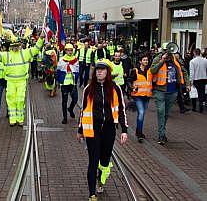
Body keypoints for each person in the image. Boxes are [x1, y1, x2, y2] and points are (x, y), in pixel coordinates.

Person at [77, 59, 128, 201]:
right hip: (92, 130)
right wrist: (80, 130)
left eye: (102, 69)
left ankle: (101, 179)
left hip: (109, 129)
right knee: (93, 160)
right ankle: (92, 194)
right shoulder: (89, 88)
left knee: (105, 160)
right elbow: (83, 110)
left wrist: (124, 130)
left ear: (108, 72)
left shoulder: (115, 88)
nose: (99, 71)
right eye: (97, 69)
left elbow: (121, 109)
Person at [0, 33, 45, 126]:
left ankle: (20, 119)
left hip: (21, 81)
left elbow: (36, 49)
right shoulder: (6, 55)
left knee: (20, 100)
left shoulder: (25, 53)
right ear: (11, 47)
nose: (16, 48)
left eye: (17, 46)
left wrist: (41, 39)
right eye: (14, 46)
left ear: (20, 46)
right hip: (10, 82)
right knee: (11, 100)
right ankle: (12, 120)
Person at [150, 43, 190, 145]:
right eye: (165, 51)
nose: (167, 54)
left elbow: (184, 71)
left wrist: (188, 84)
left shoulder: (175, 59)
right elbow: (152, 70)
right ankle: (161, 135)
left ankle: (162, 132)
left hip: (172, 92)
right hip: (160, 90)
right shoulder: (157, 59)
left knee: (166, 114)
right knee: (161, 112)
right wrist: (162, 60)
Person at [129, 54, 152, 142]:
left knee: (141, 114)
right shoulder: (135, 71)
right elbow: (129, 80)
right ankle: (139, 133)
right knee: (141, 113)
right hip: (137, 95)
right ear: (140, 61)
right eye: (144, 60)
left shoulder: (150, 71)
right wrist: (132, 87)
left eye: (147, 60)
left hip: (147, 96)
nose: (146, 61)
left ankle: (138, 131)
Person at [56, 43, 79, 124]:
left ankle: (71, 109)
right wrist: (58, 82)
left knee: (75, 99)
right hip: (64, 84)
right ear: (65, 51)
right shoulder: (62, 59)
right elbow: (58, 71)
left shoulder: (75, 59)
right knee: (64, 101)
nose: (70, 52)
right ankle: (65, 118)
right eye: (68, 50)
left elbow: (77, 70)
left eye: (71, 50)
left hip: (72, 83)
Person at [189, 48, 207, 113]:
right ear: (200, 53)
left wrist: (191, 81)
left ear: (194, 53)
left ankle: (194, 107)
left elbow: (192, 72)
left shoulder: (192, 61)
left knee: (194, 93)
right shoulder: (205, 60)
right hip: (204, 78)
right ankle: (201, 106)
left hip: (196, 79)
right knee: (201, 93)